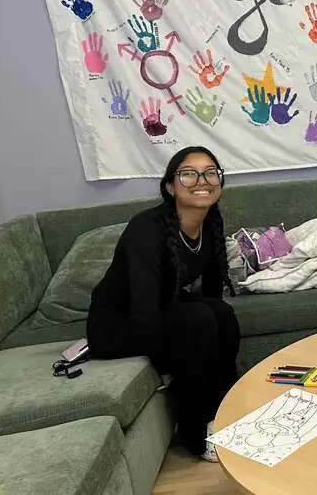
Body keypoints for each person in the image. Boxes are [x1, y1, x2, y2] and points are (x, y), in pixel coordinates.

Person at [87, 146, 240, 462]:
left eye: (211, 173)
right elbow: (143, 309)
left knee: (222, 313)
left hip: (161, 306)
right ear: (170, 186)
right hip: (118, 323)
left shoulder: (210, 221)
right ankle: (195, 435)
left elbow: (212, 291)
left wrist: (212, 334)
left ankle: (225, 411)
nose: (202, 181)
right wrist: (169, 361)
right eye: (189, 174)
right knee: (198, 320)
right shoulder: (146, 228)